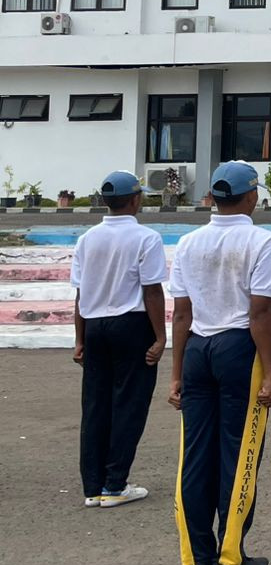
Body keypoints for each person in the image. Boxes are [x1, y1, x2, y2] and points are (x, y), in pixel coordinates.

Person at [168, 161, 271, 565]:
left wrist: (176, 374)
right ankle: (230, 557)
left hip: (198, 346)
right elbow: (259, 311)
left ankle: (197, 560)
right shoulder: (263, 240)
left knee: (194, 455)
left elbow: (181, 314)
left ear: (213, 198)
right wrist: (270, 372)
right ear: (252, 196)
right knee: (240, 452)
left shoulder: (189, 242)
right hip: (238, 349)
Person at [72, 170, 167, 508]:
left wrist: (79, 338)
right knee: (129, 403)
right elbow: (152, 290)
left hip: (95, 324)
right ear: (136, 199)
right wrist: (160, 336)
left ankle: (93, 486)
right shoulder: (146, 238)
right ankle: (115, 483)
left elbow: (81, 293)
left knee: (95, 405)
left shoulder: (88, 238)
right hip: (131, 324)